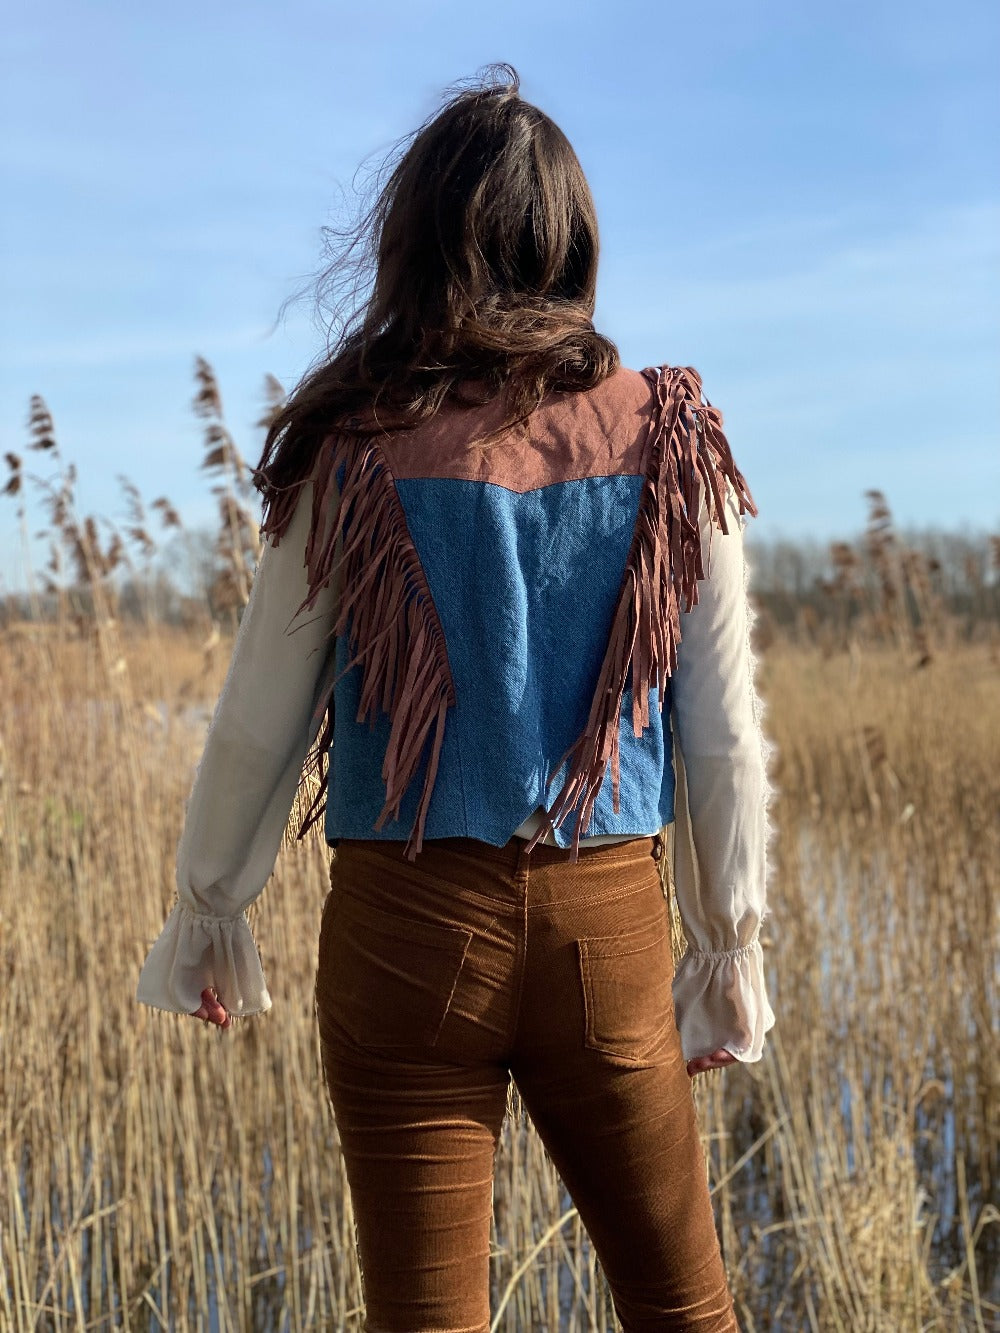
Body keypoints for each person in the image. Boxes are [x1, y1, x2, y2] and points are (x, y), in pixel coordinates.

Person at [137, 65, 774, 1333]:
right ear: (571, 241)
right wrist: (727, 941)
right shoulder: (671, 434)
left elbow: (260, 709)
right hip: (607, 928)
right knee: (683, 1308)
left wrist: (212, 906)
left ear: (415, 243)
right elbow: (721, 726)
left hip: (403, 931)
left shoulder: (351, 447)